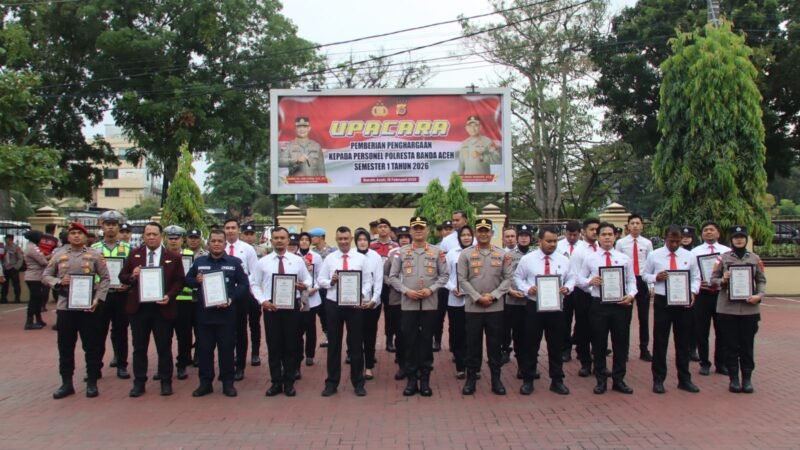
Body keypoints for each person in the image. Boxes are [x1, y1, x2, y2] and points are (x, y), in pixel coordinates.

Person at [42, 222, 110, 399]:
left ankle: (92, 382)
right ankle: (66, 383)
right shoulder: (59, 254)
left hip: (88, 307)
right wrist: (58, 282)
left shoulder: (95, 255)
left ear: (86, 237)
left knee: (91, 346)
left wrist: (98, 299)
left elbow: (105, 278)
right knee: (65, 346)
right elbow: (46, 275)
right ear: (68, 236)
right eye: (73, 233)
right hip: (65, 306)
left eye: (80, 233)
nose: (76, 236)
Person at [118, 222, 185, 397]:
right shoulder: (135, 255)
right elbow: (122, 276)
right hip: (139, 308)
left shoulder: (173, 257)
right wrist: (132, 275)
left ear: (161, 236)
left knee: (164, 347)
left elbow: (179, 281)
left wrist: (170, 295)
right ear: (143, 236)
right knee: (139, 348)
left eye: (155, 234)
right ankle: (139, 382)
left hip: (162, 308)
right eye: (148, 234)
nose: (151, 237)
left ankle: (166, 382)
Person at [185, 229, 249, 397]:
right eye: (213, 241)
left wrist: (232, 298)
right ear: (208, 243)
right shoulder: (199, 262)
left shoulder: (234, 262)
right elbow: (188, 280)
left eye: (220, 241)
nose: (216, 244)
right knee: (204, 350)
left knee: (226, 350)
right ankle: (205, 383)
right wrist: (196, 281)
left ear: (225, 243)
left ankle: (228, 383)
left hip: (226, 315)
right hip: (204, 315)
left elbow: (244, 285)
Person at [388, 217, 448, 396]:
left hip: (429, 304)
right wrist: (406, 291)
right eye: (415, 228)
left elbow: (444, 276)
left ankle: (425, 379)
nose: (418, 231)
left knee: (426, 341)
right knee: (409, 341)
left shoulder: (437, 252)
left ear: (427, 230)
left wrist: (431, 289)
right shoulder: (401, 252)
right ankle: (412, 379)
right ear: (411, 231)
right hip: (408, 304)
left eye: (422, 228)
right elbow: (393, 277)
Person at [577, 222, 637, 395]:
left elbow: (631, 281)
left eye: (610, 234)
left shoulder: (624, 258)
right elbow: (579, 279)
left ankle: (619, 379)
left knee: (620, 343)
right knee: (599, 343)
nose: (607, 237)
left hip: (620, 305)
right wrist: (589, 282)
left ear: (615, 236)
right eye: (603, 234)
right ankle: (601, 379)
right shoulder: (590, 258)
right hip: (599, 305)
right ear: (598, 237)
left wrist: (631, 295)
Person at [251, 227, 312, 397]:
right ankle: (276, 382)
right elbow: (253, 283)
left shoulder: (297, 261)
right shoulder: (263, 262)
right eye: (276, 238)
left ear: (288, 240)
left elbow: (308, 278)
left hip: (292, 307)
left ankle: (289, 382)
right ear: (271, 241)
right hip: (272, 307)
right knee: (274, 345)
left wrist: (304, 285)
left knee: (291, 345)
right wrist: (262, 301)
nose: (279, 240)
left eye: (282, 238)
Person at [515, 225, 575, 395]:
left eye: (555, 241)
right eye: (548, 241)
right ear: (539, 240)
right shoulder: (528, 259)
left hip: (556, 308)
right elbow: (518, 278)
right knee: (531, 344)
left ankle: (557, 380)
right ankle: (528, 379)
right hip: (534, 306)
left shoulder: (564, 260)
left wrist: (567, 288)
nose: (552, 244)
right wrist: (527, 289)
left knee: (556, 345)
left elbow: (572, 278)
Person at [457, 218, 513, 395]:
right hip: (473, 307)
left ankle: (496, 379)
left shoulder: (502, 254)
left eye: (486, 231)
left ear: (492, 233)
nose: (483, 234)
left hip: (495, 307)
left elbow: (508, 279)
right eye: (480, 231)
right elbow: (462, 279)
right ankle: (471, 379)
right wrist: (477, 297)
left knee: (495, 345)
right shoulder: (466, 254)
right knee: (472, 344)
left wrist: (493, 295)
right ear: (475, 233)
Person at [642, 225, 701, 394]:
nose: (674, 244)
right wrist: (655, 277)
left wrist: (693, 292)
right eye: (671, 241)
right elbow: (645, 275)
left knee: (683, 342)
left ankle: (684, 379)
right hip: (663, 301)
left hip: (683, 302)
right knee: (660, 341)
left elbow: (696, 277)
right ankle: (658, 379)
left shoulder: (689, 256)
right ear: (664, 238)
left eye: (677, 241)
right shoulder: (654, 255)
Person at [711, 225, 767, 394]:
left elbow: (761, 280)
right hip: (728, 310)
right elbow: (713, 279)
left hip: (749, 309)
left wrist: (759, 295)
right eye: (736, 237)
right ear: (731, 239)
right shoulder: (722, 258)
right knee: (730, 345)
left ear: (746, 239)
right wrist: (723, 280)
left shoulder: (755, 258)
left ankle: (747, 379)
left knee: (747, 345)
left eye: (742, 237)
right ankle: (734, 379)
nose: (739, 240)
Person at [317, 226, 371, 397]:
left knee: (356, 343)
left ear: (351, 239)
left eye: (346, 238)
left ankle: (358, 383)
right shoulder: (330, 258)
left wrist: (361, 295)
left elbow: (368, 281)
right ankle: (332, 383)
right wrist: (331, 281)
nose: (343, 242)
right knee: (334, 344)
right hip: (333, 304)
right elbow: (320, 280)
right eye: (340, 239)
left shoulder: (361, 258)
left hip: (354, 305)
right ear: (336, 239)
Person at [91, 210, 132, 380]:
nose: (111, 228)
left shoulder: (127, 248)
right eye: (108, 224)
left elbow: (132, 271)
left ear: (118, 227)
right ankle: (95, 367)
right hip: (102, 295)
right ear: (102, 226)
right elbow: (89, 271)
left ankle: (122, 365)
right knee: (98, 332)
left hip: (121, 295)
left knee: (121, 331)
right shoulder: (94, 249)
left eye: (114, 224)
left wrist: (128, 283)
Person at [690, 221, 731, 376]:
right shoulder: (695, 252)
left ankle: (721, 363)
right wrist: (698, 284)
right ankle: (704, 363)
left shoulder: (726, 251)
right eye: (705, 230)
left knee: (722, 330)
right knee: (702, 331)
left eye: (712, 230)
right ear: (701, 234)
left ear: (718, 233)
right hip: (702, 294)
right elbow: (691, 273)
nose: (708, 232)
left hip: (721, 294)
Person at [222, 219, 259, 381]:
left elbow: (254, 272)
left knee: (240, 330)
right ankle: (226, 365)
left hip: (241, 294)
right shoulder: (219, 247)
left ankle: (240, 366)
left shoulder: (247, 249)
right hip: (222, 294)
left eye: (233, 228)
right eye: (227, 228)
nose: (230, 230)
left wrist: (242, 287)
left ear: (238, 230)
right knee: (224, 331)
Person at [614, 214, 654, 361]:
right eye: (632, 223)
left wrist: (651, 284)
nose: (635, 226)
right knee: (625, 318)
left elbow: (650, 265)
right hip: (627, 281)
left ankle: (644, 349)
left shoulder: (647, 243)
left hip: (642, 280)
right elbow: (617, 262)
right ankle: (624, 351)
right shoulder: (621, 243)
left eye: (638, 223)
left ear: (642, 226)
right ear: (628, 226)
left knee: (644, 318)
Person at [435, 211, 474, 352]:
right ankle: (453, 348)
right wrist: (452, 287)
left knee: (471, 327)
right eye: (453, 220)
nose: (454, 223)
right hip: (452, 288)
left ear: (465, 220)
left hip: (473, 295)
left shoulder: (476, 243)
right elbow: (443, 267)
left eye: (457, 220)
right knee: (453, 322)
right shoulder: (447, 241)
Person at [568, 218, 601, 376]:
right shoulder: (579, 251)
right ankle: (585, 362)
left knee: (599, 330)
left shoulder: (602, 248)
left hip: (600, 295)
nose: (595, 232)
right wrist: (589, 283)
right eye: (591, 229)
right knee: (583, 329)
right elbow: (574, 277)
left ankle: (599, 363)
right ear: (583, 231)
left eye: (597, 229)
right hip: (583, 294)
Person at [164, 225, 195, 381]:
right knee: (164, 336)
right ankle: (164, 367)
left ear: (182, 240)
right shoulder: (161, 255)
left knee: (184, 336)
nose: (173, 241)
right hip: (166, 300)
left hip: (185, 300)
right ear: (166, 239)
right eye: (171, 238)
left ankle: (182, 364)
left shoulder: (189, 255)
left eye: (177, 238)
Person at [502, 224, 535, 373]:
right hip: (514, 301)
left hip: (532, 301)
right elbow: (503, 276)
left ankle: (531, 365)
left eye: (526, 235)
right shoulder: (508, 255)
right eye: (521, 235)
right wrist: (510, 291)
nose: (523, 238)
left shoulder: (536, 255)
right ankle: (522, 366)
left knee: (532, 335)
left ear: (531, 238)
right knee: (518, 334)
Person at [444, 225, 474, 380]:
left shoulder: (478, 252)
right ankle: (461, 366)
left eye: (469, 235)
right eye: (463, 235)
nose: (466, 237)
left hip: (474, 301)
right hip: (455, 299)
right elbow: (445, 275)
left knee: (473, 334)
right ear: (459, 238)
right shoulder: (451, 254)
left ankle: (474, 366)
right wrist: (452, 288)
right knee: (457, 333)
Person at [355, 228, 384, 381]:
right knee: (355, 335)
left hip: (372, 303)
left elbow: (378, 280)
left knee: (370, 334)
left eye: (365, 239)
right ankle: (357, 365)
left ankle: (369, 366)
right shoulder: (351, 256)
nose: (362, 242)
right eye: (359, 240)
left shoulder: (375, 257)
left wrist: (374, 299)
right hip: (354, 303)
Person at [385, 226, 411, 379]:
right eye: (401, 237)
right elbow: (385, 275)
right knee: (400, 333)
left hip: (414, 299)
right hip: (397, 299)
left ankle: (412, 363)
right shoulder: (392, 254)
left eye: (406, 237)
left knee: (412, 334)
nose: (404, 240)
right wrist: (394, 284)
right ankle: (402, 365)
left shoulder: (417, 253)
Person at [556, 220, 583, 362]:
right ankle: (565, 349)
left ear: (580, 233)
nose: (572, 237)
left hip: (581, 288)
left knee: (582, 319)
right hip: (564, 288)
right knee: (564, 320)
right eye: (569, 234)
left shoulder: (584, 247)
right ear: (565, 233)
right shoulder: (558, 246)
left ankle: (580, 345)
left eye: (575, 235)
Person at [297, 232, 323, 367]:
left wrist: (315, 288)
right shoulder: (294, 256)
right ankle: (298, 353)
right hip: (297, 296)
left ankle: (310, 355)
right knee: (298, 327)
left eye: (307, 239)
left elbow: (321, 275)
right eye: (302, 239)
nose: (304, 242)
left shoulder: (316, 257)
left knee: (310, 327)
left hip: (312, 296)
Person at [240, 223, 263, 367]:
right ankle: (239, 353)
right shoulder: (238, 248)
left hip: (254, 291)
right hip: (241, 291)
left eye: (251, 234)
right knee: (240, 324)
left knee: (254, 323)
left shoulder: (262, 250)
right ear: (242, 235)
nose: (249, 237)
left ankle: (255, 353)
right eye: (246, 234)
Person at [23, 230, 50, 329]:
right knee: (34, 299)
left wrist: (51, 256)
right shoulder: (32, 248)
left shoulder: (32, 246)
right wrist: (52, 260)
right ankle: (29, 321)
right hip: (34, 276)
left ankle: (39, 319)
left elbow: (42, 258)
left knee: (38, 299)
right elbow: (42, 261)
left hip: (36, 276)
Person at [1, 234, 23, 303]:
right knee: (4, 284)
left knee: (16, 284)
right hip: (5, 268)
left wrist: (16, 267)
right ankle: (3, 298)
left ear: (11, 239)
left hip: (13, 268)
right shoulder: (4, 248)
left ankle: (17, 298)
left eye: (6, 239)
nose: (5, 240)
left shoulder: (16, 248)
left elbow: (20, 258)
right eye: (5, 239)